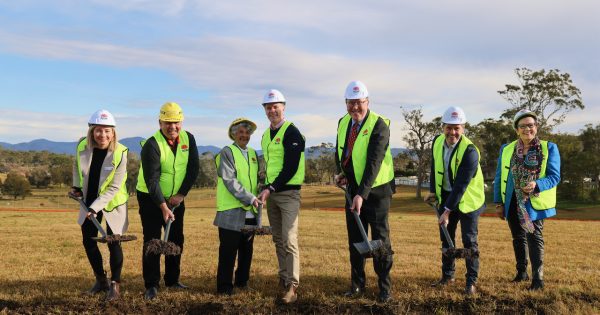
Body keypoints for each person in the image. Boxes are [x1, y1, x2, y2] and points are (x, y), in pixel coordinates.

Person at [334, 81, 395, 303]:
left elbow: (374, 162)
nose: (355, 108)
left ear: (367, 102)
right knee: (355, 240)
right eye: (351, 103)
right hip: (353, 190)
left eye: (359, 103)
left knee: (380, 241)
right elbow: (342, 151)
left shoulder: (380, 125)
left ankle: (384, 288)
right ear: (346, 103)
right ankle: (357, 285)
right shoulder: (343, 123)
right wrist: (342, 172)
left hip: (376, 192)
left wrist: (362, 193)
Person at [136, 102, 199, 300]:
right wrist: (163, 206)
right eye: (167, 122)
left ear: (182, 121)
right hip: (150, 197)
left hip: (176, 198)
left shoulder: (189, 138)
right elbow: (152, 180)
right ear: (160, 122)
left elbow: (193, 169)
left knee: (176, 238)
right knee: (153, 239)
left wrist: (180, 195)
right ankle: (152, 284)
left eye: (176, 122)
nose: (172, 127)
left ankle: (172, 279)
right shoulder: (151, 145)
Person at [493, 109, 560, 291]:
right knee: (517, 236)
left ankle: (538, 280)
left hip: (534, 201)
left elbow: (554, 176)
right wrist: (498, 203)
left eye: (530, 125)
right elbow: (499, 177)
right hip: (512, 200)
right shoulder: (507, 149)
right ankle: (521, 272)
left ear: (536, 127)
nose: (527, 129)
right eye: (522, 126)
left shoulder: (549, 148)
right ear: (516, 129)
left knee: (534, 237)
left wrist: (537, 184)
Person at [424, 106, 485, 295]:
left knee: (469, 242)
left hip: (468, 201)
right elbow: (435, 167)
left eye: (457, 128)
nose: (452, 132)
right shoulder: (436, 142)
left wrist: (447, 211)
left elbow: (461, 185)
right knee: (446, 239)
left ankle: (471, 282)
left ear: (463, 128)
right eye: (449, 128)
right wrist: (433, 191)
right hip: (446, 197)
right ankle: (448, 276)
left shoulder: (470, 151)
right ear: (442, 127)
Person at [70, 109, 129, 301]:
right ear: (91, 131)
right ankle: (101, 280)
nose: (102, 135)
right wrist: (77, 187)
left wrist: (96, 207)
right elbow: (77, 168)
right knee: (89, 241)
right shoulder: (82, 146)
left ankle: (115, 285)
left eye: (107, 131)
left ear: (113, 133)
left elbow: (114, 187)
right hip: (89, 199)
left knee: (113, 242)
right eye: (98, 130)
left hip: (113, 202)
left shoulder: (120, 153)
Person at [257, 89, 305, 304]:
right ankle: (283, 278)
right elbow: (271, 166)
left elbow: (290, 166)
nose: (272, 110)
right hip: (273, 192)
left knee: (289, 239)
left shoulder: (292, 132)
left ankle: (292, 287)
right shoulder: (266, 135)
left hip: (288, 194)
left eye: (275, 106)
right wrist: (267, 187)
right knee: (278, 239)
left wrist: (271, 188)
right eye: (268, 107)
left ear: (283, 107)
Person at [214, 118, 260, 295]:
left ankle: (242, 282)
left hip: (251, 210)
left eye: (247, 132)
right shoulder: (227, 152)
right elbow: (229, 180)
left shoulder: (254, 154)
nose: (244, 135)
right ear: (233, 134)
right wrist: (249, 198)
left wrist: (262, 192)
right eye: (240, 132)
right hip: (231, 211)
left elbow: (257, 179)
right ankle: (225, 287)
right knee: (228, 250)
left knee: (246, 249)